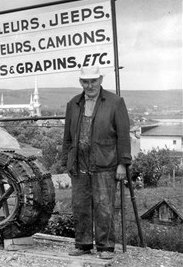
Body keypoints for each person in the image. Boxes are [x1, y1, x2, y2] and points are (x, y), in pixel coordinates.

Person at [61, 66, 131, 260]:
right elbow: (67, 136)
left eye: (93, 81)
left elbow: (124, 135)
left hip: (106, 162)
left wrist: (122, 164)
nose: (89, 85)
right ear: (80, 82)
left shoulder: (115, 102)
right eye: (85, 81)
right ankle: (82, 245)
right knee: (80, 206)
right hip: (79, 163)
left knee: (104, 206)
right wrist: (66, 160)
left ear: (100, 79)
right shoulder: (73, 103)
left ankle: (106, 247)